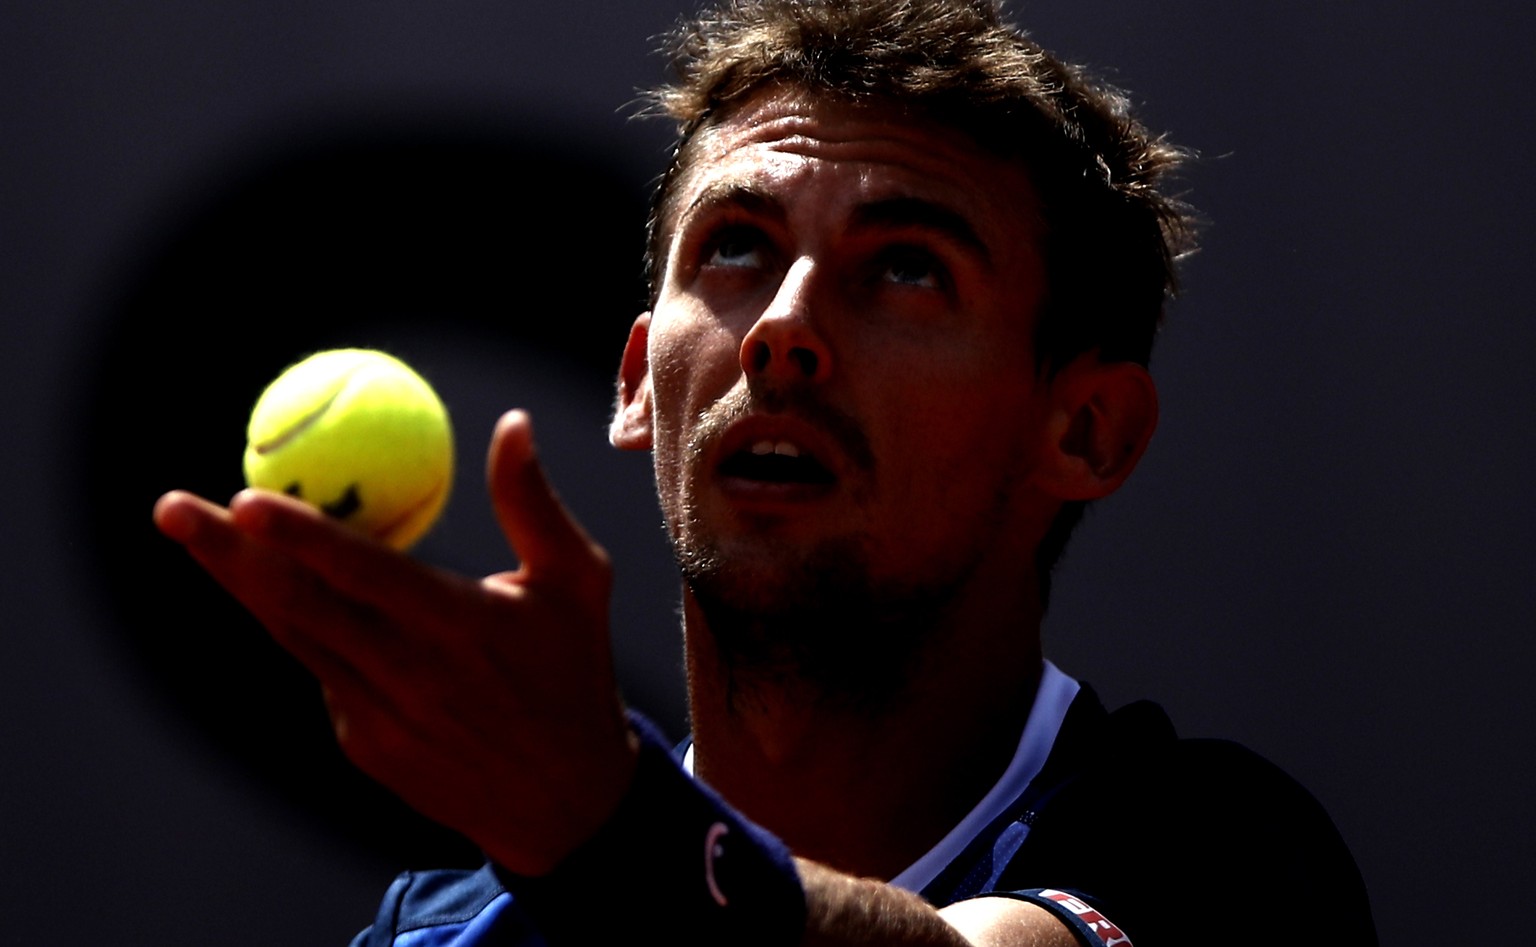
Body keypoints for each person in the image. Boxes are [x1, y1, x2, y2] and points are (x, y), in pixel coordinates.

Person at [153, 0, 1377, 943]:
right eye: (736, 246)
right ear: (636, 382)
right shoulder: (446, 932)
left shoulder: (1227, 863)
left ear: (1088, 431)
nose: (782, 325)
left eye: (906, 267)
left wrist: (613, 831)